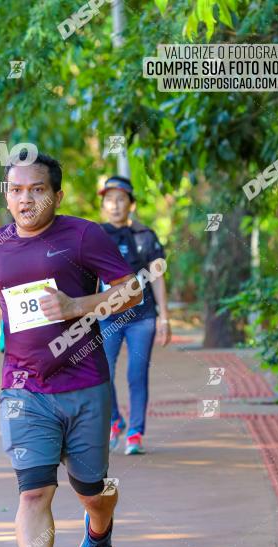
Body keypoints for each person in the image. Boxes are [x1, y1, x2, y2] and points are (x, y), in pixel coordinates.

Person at [0, 153, 140, 547]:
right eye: (16, 190)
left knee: (92, 491)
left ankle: (99, 529)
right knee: (33, 492)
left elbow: (129, 291)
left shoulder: (84, 235)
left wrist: (77, 305)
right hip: (23, 388)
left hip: (85, 383)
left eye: (36, 189)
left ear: (57, 195)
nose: (25, 198)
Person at [98, 175, 171, 455]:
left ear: (131, 204)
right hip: (107, 315)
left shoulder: (145, 236)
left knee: (136, 374)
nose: (115, 205)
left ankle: (136, 433)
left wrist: (164, 317)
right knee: (102, 372)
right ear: (103, 205)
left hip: (142, 317)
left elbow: (158, 277)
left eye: (120, 199)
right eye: (109, 200)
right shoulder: (96, 235)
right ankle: (115, 421)